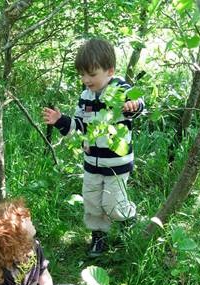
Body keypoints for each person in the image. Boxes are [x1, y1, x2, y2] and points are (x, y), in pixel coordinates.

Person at [43, 38, 144, 257]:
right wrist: (60, 120)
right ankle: (98, 236)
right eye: (82, 74)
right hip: (91, 163)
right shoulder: (85, 96)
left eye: (91, 74)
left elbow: (137, 106)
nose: (86, 79)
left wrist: (133, 105)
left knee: (113, 204)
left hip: (117, 164)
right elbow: (80, 126)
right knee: (91, 202)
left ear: (109, 71)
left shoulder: (120, 89)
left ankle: (128, 218)